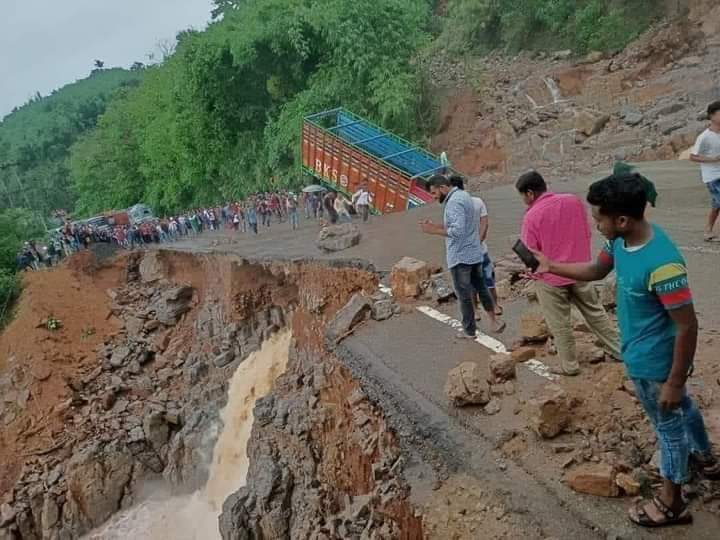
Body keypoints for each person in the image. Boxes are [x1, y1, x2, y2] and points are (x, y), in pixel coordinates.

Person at [531, 171, 719, 528]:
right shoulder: (619, 242)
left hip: (655, 364)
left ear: (621, 219)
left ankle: (672, 503)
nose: (595, 223)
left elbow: (687, 325)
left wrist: (675, 381)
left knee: (669, 429)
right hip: (639, 355)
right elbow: (595, 270)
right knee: (683, 412)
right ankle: (707, 460)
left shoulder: (662, 263)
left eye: (598, 217)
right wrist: (551, 265)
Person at [517, 171, 620, 376]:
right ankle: (620, 350)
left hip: (551, 277)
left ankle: (569, 365)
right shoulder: (573, 201)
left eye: (522, 197)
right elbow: (588, 230)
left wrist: (531, 272)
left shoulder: (531, 216)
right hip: (582, 270)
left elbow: (531, 253)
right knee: (596, 313)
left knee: (560, 324)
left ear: (529, 193)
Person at [420, 175, 505, 336]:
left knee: (464, 295)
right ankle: (494, 321)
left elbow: (457, 231)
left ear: (443, 188)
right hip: (474, 252)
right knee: (481, 287)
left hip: (460, 257)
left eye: (434, 193)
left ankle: (469, 330)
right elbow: (462, 224)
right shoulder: (464, 196)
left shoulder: (453, 203)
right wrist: (436, 225)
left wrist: (433, 231)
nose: (434, 197)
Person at [449, 176, 503, 317]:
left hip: (469, 252)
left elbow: (482, 224)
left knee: (475, 282)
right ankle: (491, 306)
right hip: (478, 250)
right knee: (486, 279)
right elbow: (484, 225)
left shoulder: (460, 206)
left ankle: (479, 309)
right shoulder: (475, 202)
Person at [690, 100, 720, 242]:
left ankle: (708, 230)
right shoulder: (704, 137)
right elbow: (693, 157)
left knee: (716, 205)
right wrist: (713, 159)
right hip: (713, 177)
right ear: (712, 116)